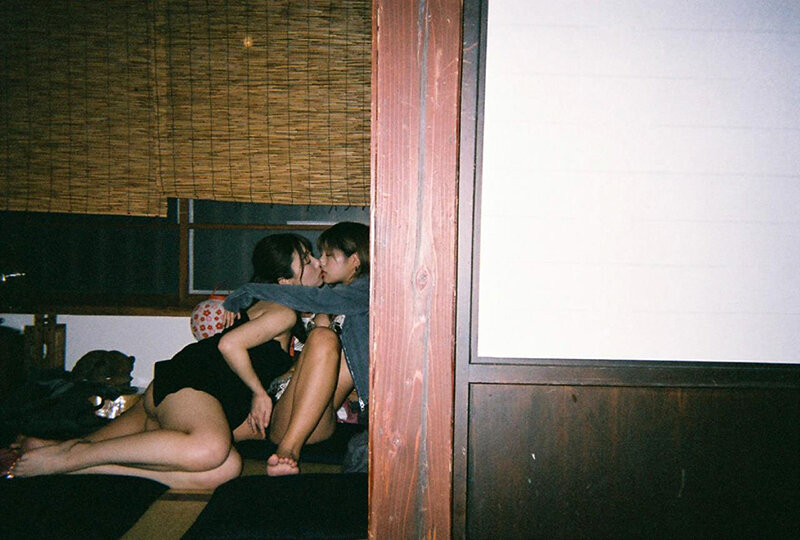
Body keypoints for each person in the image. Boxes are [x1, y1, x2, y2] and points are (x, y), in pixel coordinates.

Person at [7, 233, 323, 488]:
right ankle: (71, 456)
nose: (317, 262)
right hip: (194, 386)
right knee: (211, 449)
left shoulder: (270, 307)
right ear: (285, 281)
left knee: (224, 470)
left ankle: (68, 457)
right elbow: (229, 345)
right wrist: (258, 393)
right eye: (307, 260)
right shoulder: (283, 311)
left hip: (185, 393)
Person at [222, 221, 370, 476]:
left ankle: (289, 449)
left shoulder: (364, 294)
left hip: (320, 420)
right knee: (322, 337)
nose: (320, 262)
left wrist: (247, 290)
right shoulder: (313, 308)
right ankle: (287, 448)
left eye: (328, 255)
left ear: (354, 260)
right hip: (285, 411)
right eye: (314, 257)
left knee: (323, 337)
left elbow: (316, 300)